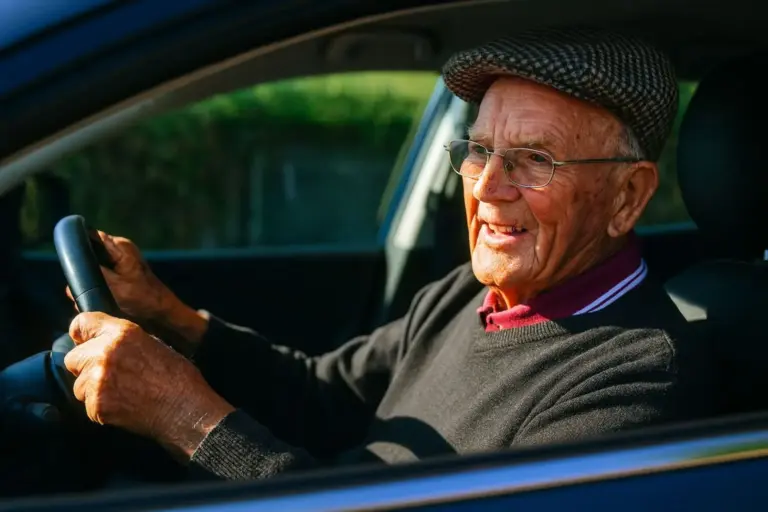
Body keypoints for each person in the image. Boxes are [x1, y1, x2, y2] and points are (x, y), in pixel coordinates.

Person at [62, 28, 713, 480]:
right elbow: (322, 396)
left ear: (628, 196)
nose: (487, 187)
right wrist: (169, 315)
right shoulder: (470, 294)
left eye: (535, 160)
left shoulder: (636, 383)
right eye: (478, 150)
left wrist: (185, 417)